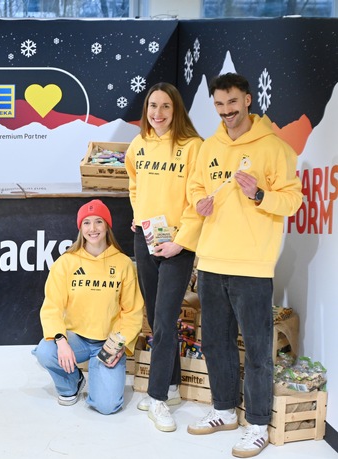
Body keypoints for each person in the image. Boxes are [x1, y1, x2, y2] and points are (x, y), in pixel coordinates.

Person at [186, 73, 302, 458]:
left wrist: (260, 194)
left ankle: (256, 424)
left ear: (248, 100)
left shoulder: (275, 148)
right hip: (211, 260)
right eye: (219, 104)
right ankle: (223, 410)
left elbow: (292, 201)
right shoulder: (209, 147)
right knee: (215, 342)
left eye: (232, 102)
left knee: (256, 349)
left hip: (253, 265)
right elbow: (195, 187)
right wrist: (199, 202)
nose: (226, 111)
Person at [124, 82, 203, 432]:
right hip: (145, 239)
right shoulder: (138, 144)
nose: (158, 113)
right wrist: (138, 213)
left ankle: (156, 398)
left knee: (167, 318)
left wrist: (181, 242)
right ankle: (170, 388)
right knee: (157, 318)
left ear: (176, 110)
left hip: (177, 246)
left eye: (165, 106)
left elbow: (198, 201)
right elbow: (134, 184)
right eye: (152, 106)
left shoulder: (193, 146)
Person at [33, 199, 143, 415]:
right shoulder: (66, 262)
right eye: (87, 222)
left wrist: (120, 344)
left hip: (108, 343)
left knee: (107, 407)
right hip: (77, 340)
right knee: (46, 351)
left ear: (107, 226)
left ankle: (99, 376)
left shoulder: (123, 264)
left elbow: (132, 311)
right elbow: (52, 307)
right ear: (80, 228)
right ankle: (71, 383)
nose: (93, 228)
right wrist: (61, 341)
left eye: (99, 221)